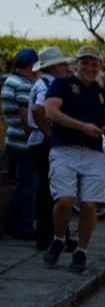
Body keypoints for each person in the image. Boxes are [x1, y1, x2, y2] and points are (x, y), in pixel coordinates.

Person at [42, 46, 105, 274]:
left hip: (92, 153)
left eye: (94, 64)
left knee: (89, 204)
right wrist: (82, 126)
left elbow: (104, 120)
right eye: (85, 63)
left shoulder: (102, 93)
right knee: (65, 199)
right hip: (64, 149)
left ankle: (81, 250)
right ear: (76, 64)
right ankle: (59, 237)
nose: (90, 68)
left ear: (99, 67)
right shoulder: (61, 84)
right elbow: (50, 112)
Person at [28, 47, 71, 250]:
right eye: (62, 64)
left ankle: (55, 235)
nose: (65, 68)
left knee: (52, 190)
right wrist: (50, 134)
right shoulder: (48, 85)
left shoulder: (43, 82)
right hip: (43, 142)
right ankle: (48, 237)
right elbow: (38, 109)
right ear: (55, 67)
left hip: (40, 141)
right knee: (51, 190)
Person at [3, 48, 39, 241]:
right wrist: (33, 139)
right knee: (27, 185)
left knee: (20, 184)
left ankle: (13, 223)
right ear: (32, 65)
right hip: (24, 143)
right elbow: (26, 117)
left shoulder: (10, 81)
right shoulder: (24, 86)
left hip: (12, 139)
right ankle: (24, 225)